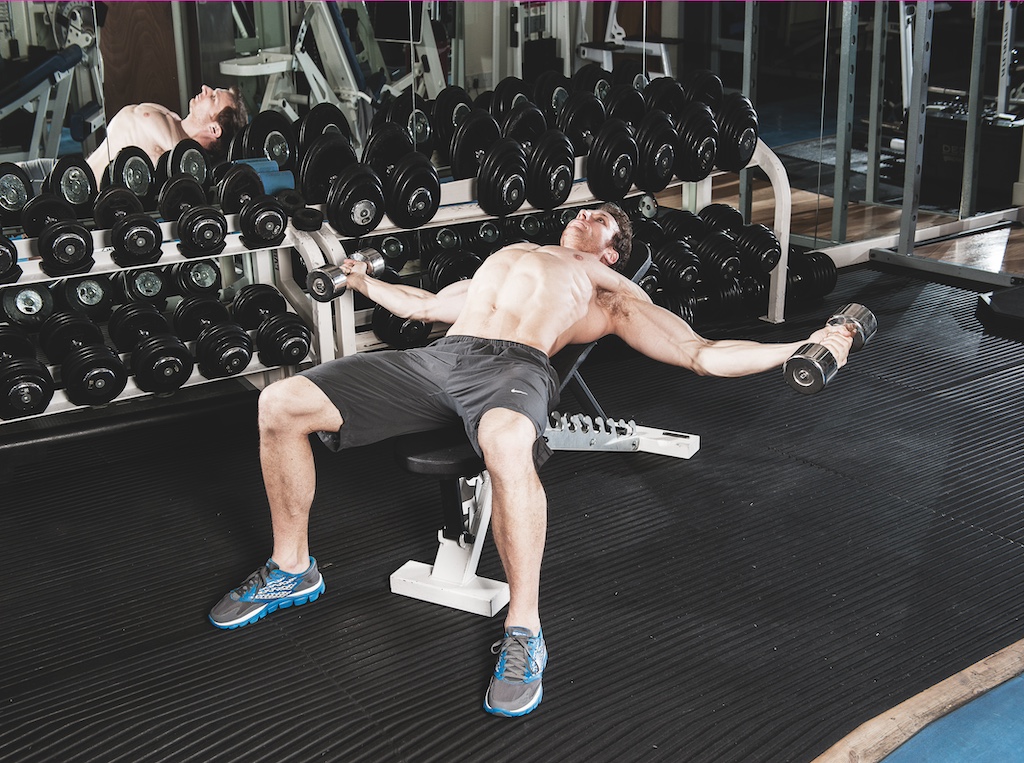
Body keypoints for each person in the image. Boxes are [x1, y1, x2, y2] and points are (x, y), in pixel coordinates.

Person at [208, 203, 856, 718]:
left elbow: (701, 352)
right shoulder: (510, 256)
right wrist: (360, 280)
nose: (583, 214)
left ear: (612, 249)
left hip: (514, 369)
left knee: (508, 443)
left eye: (601, 218)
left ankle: (525, 629)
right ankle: (293, 567)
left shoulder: (608, 289)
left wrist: (801, 343)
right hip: (435, 360)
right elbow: (428, 307)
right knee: (282, 403)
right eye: (584, 211)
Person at [85, 84, 248, 182]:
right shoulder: (173, 118)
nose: (205, 88)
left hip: (82, 199)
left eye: (213, 98)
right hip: (75, 176)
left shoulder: (173, 154)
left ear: (214, 129)